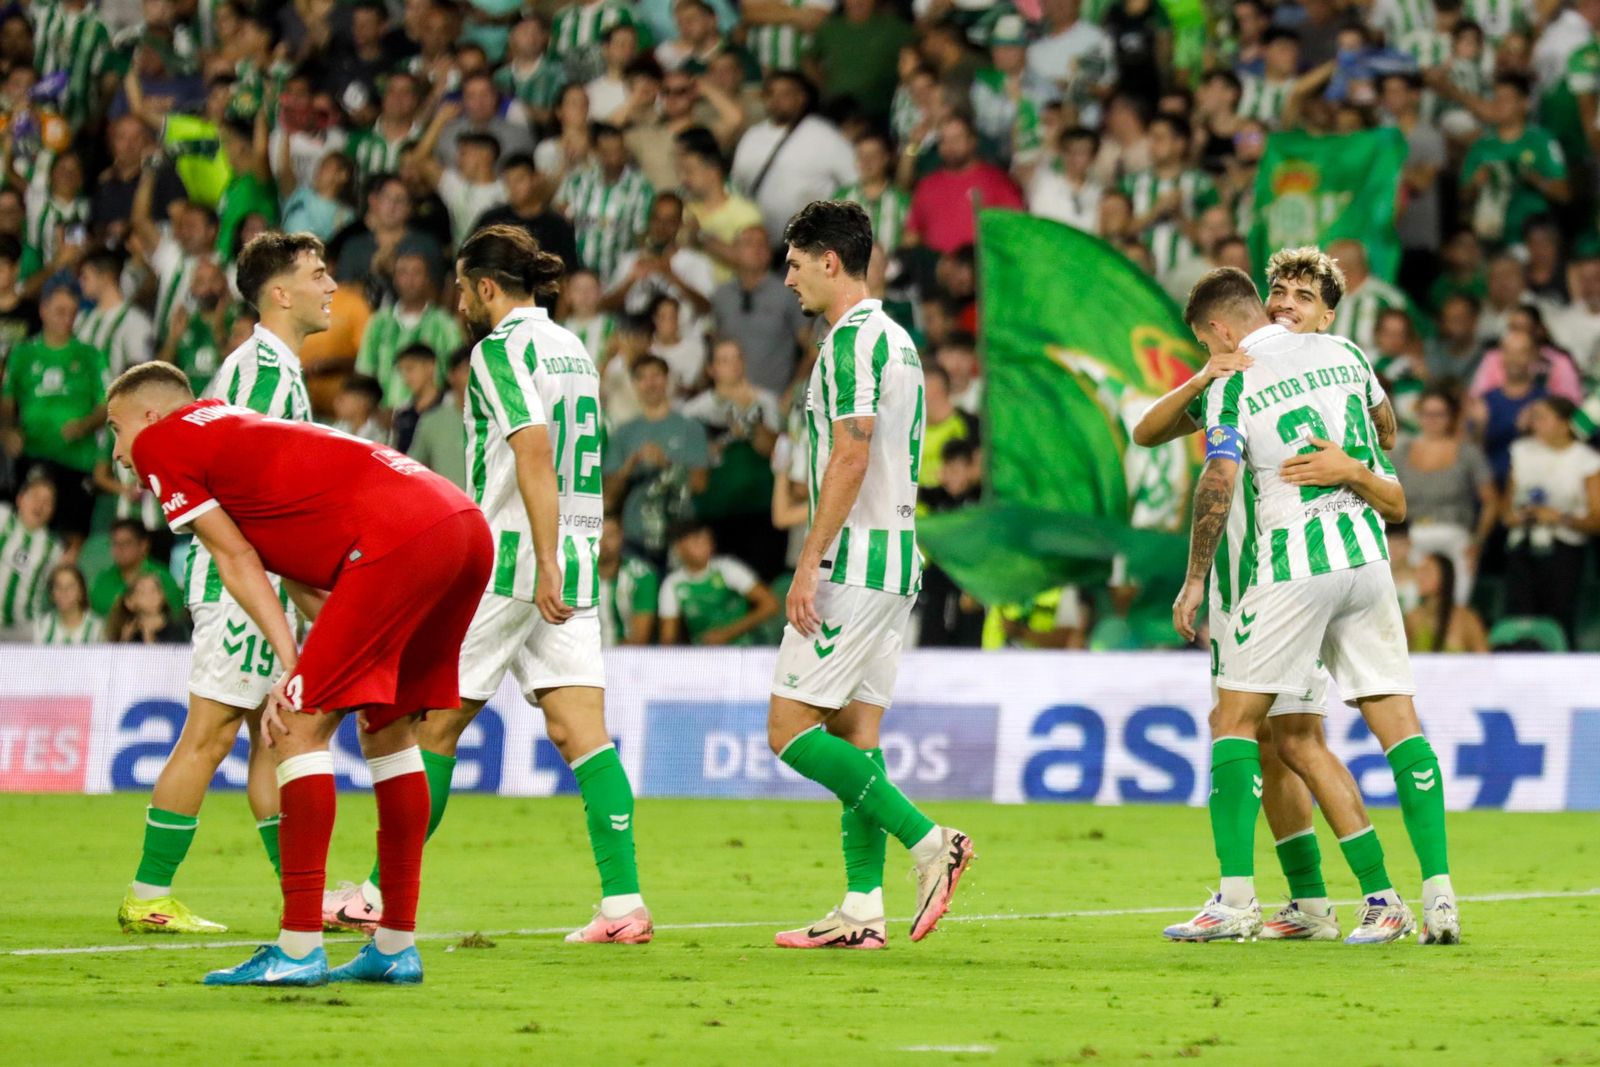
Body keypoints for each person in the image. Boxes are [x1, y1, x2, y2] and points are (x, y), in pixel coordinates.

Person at [107, 360, 492, 987]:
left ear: (150, 416)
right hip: (459, 526)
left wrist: (295, 670)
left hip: (399, 536)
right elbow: (309, 579)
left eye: (117, 429)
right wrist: (307, 665)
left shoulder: (163, 440)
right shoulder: (236, 434)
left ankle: (296, 948)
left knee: (294, 732)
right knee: (388, 732)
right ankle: (394, 946)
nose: (122, 453)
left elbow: (235, 560)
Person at [326, 225, 651, 945]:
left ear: (487, 288)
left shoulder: (499, 350)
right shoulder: (572, 347)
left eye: (464, 287)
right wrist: (558, 558)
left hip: (511, 557)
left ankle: (379, 892)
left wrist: (538, 559)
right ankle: (624, 903)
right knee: (583, 734)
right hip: (571, 554)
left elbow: (531, 451)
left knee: (430, 727)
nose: (459, 300)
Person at [1168, 266, 1457, 946]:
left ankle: (1237, 897)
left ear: (1216, 331)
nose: (1290, 304)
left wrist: (1193, 578)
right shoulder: (1349, 354)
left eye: (1304, 296)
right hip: (1366, 557)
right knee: (1392, 725)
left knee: (1234, 721)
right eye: (1282, 295)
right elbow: (1385, 430)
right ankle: (1428, 896)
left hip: (1293, 563)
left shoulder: (1233, 377)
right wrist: (1352, 460)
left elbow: (1219, 473)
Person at [765, 199, 973, 951]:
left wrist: (808, 558)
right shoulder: (898, 340)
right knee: (856, 735)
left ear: (830, 260)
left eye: (794, 262)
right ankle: (861, 908)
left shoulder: (852, 341)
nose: (786, 278)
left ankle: (930, 843)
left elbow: (851, 453)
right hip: (895, 559)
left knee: (788, 731)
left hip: (853, 562)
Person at [116, 232, 327, 937]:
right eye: (317, 273)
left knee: (272, 741)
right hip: (242, 581)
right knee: (208, 738)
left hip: (249, 577)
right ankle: (148, 891)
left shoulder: (272, 368)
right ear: (280, 292)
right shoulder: (265, 371)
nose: (330, 284)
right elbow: (249, 491)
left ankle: (306, 896)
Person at [0, 283, 107, 550]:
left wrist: (85, 424)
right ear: (43, 310)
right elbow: (7, 401)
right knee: (26, 530)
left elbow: (107, 405)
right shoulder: (23, 353)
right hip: (34, 454)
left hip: (77, 459)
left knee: (71, 536)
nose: (66, 318)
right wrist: (7, 430)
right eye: (60, 311)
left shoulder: (90, 355)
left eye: (72, 312)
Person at [1502, 396, 1600, 646]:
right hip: (1523, 544)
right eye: (1534, 418)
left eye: (1543, 417)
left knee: (1557, 619)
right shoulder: (1522, 451)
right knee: (1520, 619)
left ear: (1564, 423)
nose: (1536, 423)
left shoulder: (1586, 460)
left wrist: (1560, 518)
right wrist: (1517, 516)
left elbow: (1596, 519)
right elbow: (1507, 507)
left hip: (1564, 547)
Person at [729, 71, 857, 246]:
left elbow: (854, 182)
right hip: (762, 245)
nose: (778, 99)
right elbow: (737, 187)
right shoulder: (751, 137)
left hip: (813, 243)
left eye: (786, 93)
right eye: (772, 93)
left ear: (802, 97)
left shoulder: (825, 136)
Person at [603, 354, 712, 560]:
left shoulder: (690, 427)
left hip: (679, 538)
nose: (650, 383)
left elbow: (699, 484)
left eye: (656, 376)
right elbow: (609, 497)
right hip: (634, 537)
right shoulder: (623, 433)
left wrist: (666, 464)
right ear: (634, 384)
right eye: (642, 378)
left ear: (666, 379)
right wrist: (628, 468)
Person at [1393, 389, 1498, 599]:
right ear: (1418, 415)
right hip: (1412, 536)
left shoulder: (1468, 453)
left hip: (1456, 535)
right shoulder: (1401, 453)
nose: (1432, 420)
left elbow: (1492, 501)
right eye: (1426, 413)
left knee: (1455, 602)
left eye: (1439, 414)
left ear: (1451, 417)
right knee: (1410, 600)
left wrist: (1478, 541)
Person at [355, 250, 463, 409]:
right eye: (403, 273)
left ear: (427, 279)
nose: (410, 280)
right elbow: (365, 373)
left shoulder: (445, 324)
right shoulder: (378, 323)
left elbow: (458, 374)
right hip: (384, 417)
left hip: (433, 412)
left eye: (417, 273)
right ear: (395, 279)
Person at [906, 114, 1024, 257]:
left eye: (956, 139)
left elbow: (1017, 230)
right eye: (944, 141)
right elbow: (912, 235)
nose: (949, 147)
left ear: (972, 141)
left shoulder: (998, 181)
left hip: (982, 271)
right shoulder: (926, 185)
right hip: (936, 273)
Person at [709, 225, 808, 393]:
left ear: (770, 252)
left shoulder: (789, 293)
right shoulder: (721, 295)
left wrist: (791, 394)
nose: (757, 249)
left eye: (762, 245)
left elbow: (811, 349)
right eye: (749, 244)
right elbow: (715, 344)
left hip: (774, 400)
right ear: (734, 251)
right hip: (727, 400)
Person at [557, 122, 655, 284]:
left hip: (618, 275)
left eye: (618, 151)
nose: (614, 157)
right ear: (596, 152)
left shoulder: (641, 187)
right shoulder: (578, 180)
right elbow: (560, 214)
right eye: (607, 152)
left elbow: (641, 235)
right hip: (577, 273)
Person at [657, 519, 778, 645]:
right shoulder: (673, 584)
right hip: (703, 655)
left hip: (745, 648)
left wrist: (727, 633)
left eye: (708, 540)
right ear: (679, 548)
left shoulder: (728, 568)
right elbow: (667, 638)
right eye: (697, 542)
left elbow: (771, 604)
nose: (706, 546)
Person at [471, 153, 582, 273]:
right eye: (508, 182)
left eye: (518, 180)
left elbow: (568, 270)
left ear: (535, 179)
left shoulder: (557, 225)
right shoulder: (492, 220)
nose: (513, 188)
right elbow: (469, 258)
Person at [0, 473, 64, 642]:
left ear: (52, 511)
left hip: (21, 629)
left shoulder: (54, 549)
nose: (40, 505)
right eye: (35, 496)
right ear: (20, 499)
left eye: (47, 502)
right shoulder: (2, 517)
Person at [76, 249, 155, 376]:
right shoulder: (81, 320)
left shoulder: (135, 322)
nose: (80, 282)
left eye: (85, 277)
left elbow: (140, 372)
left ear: (106, 277)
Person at [408, 348, 471, 490]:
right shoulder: (432, 421)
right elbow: (415, 467)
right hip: (449, 506)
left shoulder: (498, 418)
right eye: (467, 370)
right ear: (451, 376)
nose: (475, 377)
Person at [1405, 553, 1489, 653]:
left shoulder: (1467, 619)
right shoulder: (1412, 618)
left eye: (1426, 571)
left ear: (1444, 576)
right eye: (1418, 571)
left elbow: (1484, 660)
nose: (1419, 577)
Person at [597, 513, 659, 646]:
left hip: (627, 659)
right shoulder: (575, 575)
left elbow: (640, 638)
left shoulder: (642, 575)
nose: (603, 542)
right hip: (584, 657)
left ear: (621, 536)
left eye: (610, 535)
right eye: (598, 535)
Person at [108, 571, 190, 645]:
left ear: (162, 596)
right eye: (142, 592)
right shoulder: (131, 632)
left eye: (154, 590)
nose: (150, 596)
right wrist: (125, 640)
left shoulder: (177, 628)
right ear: (129, 602)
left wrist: (149, 637)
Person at [33, 560, 101, 645]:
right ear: (51, 593)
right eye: (58, 586)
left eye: (70, 587)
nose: (63, 592)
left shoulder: (97, 628)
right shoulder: (41, 626)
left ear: (81, 591)